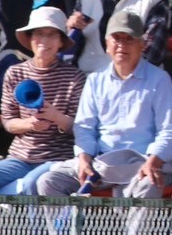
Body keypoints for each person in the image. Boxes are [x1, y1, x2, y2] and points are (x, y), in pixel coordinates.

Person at [36, 11, 172, 200]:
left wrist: (153, 161)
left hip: (143, 161)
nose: (122, 45)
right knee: (49, 182)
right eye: (117, 38)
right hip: (101, 162)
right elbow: (84, 128)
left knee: (149, 184)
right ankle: (71, 222)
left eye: (129, 39)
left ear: (142, 45)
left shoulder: (159, 79)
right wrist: (84, 159)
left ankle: (134, 224)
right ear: (107, 44)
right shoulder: (95, 80)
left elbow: (168, 130)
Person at [0, 7, 85, 196]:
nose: (44, 41)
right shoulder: (15, 73)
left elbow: (81, 128)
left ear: (61, 41)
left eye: (51, 35)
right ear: (30, 38)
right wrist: (29, 124)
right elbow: (8, 121)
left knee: (31, 184)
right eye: (39, 34)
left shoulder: (75, 77)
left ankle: (29, 218)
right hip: (20, 157)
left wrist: (56, 117)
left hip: (58, 158)